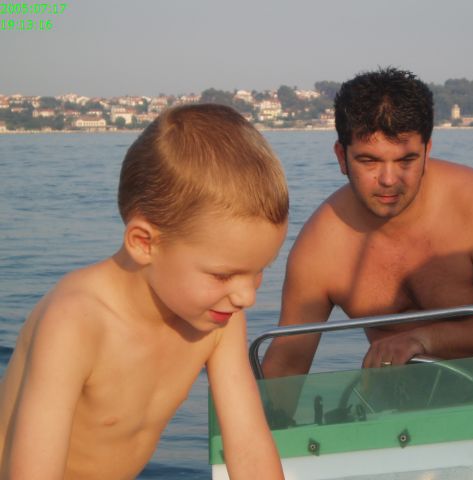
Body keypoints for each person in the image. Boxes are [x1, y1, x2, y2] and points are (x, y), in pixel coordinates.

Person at [0, 104, 287, 479]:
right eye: (223, 275)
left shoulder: (219, 316)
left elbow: (248, 448)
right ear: (144, 243)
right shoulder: (75, 322)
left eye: (259, 271)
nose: (246, 296)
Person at [262, 67, 473, 380]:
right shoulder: (321, 245)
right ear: (342, 157)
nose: (388, 179)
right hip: (395, 402)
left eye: (406, 160)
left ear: (427, 152)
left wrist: (421, 340)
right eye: (369, 161)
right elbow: (287, 364)